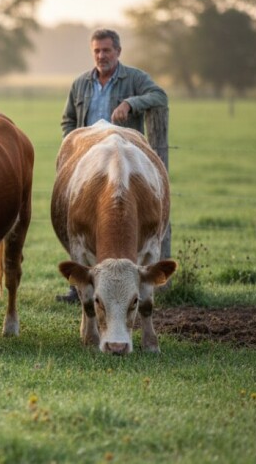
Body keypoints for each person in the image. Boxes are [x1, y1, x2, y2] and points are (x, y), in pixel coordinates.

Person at [56, 28, 168, 303]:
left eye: (106, 50)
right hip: (89, 163)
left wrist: (131, 103)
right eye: (96, 50)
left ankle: (132, 284)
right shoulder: (80, 83)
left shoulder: (134, 78)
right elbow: (68, 120)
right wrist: (73, 150)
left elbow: (159, 96)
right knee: (83, 224)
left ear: (118, 51)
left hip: (122, 161)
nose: (101, 55)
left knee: (118, 222)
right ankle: (81, 287)